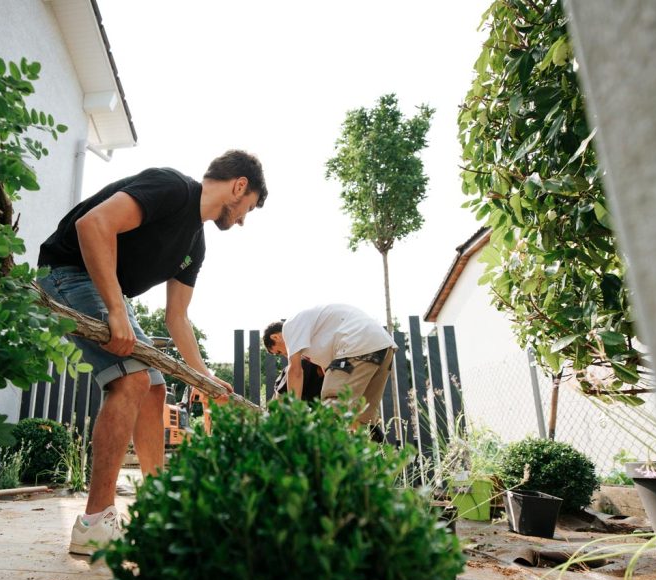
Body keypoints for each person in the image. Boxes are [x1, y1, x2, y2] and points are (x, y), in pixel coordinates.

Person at [38, 150, 268, 554]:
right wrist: (114, 309)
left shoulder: (195, 244)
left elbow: (177, 317)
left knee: (155, 390)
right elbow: (92, 226)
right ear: (239, 185)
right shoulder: (172, 188)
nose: (244, 220)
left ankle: (156, 508)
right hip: (67, 271)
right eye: (248, 209)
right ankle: (94, 521)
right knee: (132, 379)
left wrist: (203, 376)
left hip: (107, 290)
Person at [263, 304, 396, 431]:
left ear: (275, 336)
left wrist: (294, 414)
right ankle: (370, 453)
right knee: (362, 418)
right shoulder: (314, 334)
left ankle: (326, 453)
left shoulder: (289, 328)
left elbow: (295, 371)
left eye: (279, 352)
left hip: (356, 344)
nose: (285, 355)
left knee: (332, 405)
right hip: (383, 346)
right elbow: (325, 369)